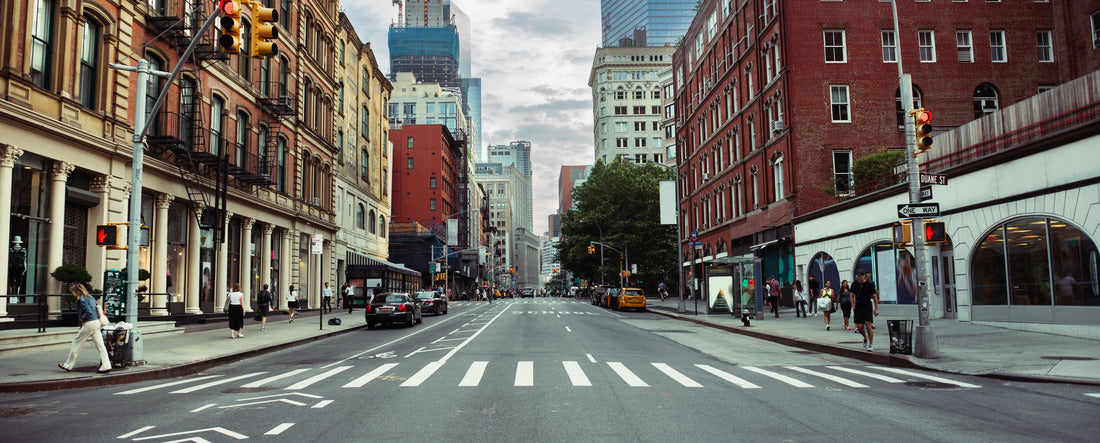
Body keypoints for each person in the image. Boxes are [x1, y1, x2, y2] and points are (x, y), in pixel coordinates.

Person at [59, 284, 112, 374]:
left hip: (89, 323)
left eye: (72, 292)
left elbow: (88, 311)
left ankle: (68, 365)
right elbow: (96, 308)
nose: (72, 294)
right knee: (101, 346)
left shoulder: (81, 300)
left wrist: (82, 318)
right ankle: (106, 366)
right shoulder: (90, 297)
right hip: (96, 323)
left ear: (76, 291)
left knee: (76, 343)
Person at [852, 272, 880, 351]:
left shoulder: (870, 284)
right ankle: (865, 337)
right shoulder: (854, 284)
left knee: (868, 324)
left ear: (864, 276)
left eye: (861, 276)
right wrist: (853, 305)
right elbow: (851, 295)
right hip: (858, 307)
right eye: (858, 276)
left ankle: (871, 344)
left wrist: (876, 309)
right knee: (860, 328)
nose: (859, 278)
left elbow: (874, 296)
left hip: (867, 306)